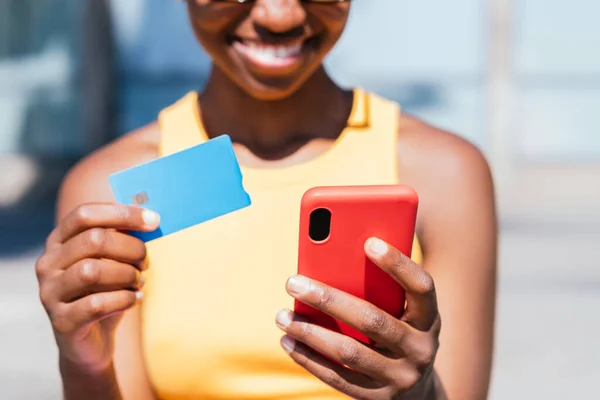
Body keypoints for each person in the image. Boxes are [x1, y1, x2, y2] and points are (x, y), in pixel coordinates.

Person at [35, 1, 497, 399]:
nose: (281, 15)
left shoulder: (443, 174)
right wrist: (85, 365)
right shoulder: (111, 189)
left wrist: (420, 394)